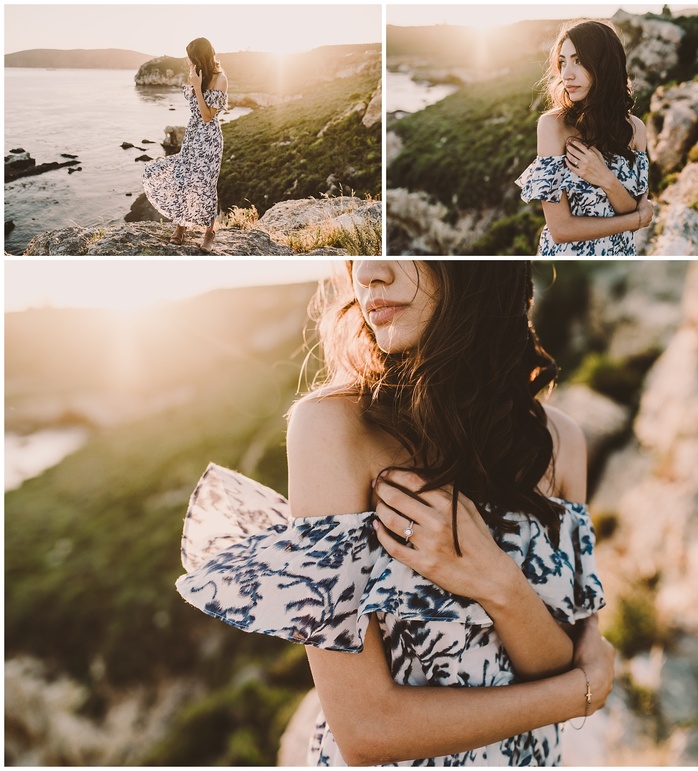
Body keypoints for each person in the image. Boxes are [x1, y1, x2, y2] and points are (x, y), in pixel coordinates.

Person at [176, 261, 615, 766]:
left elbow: (563, 658)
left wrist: (497, 581)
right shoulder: (335, 429)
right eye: (358, 255)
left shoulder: (559, 443)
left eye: (399, 246)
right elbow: (366, 730)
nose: (368, 273)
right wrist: (577, 694)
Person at [516, 20, 653, 255]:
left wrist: (605, 178)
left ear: (604, 65)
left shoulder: (635, 129)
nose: (566, 74)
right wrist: (635, 221)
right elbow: (561, 229)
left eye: (578, 61)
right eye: (562, 62)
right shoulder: (553, 127)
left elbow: (632, 206)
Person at [143, 37, 228, 253]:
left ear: (201, 56)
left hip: (209, 139)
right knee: (184, 179)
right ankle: (181, 227)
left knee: (206, 183)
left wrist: (198, 88)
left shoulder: (220, 79)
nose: (188, 60)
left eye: (191, 56)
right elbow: (195, 112)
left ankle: (209, 232)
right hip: (192, 136)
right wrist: (195, 83)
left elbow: (208, 116)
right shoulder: (195, 74)